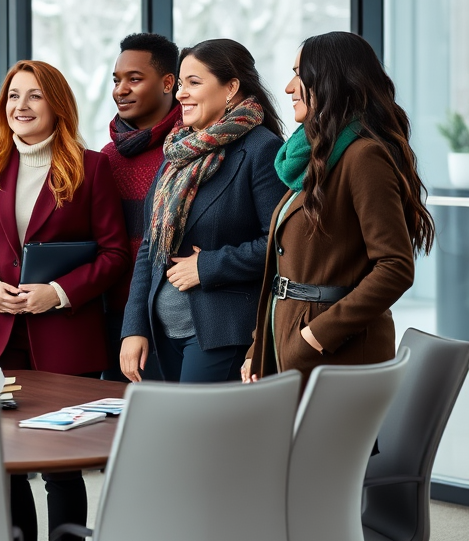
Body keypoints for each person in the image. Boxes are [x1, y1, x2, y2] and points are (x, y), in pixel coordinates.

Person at [0, 60, 130, 541]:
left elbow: (114, 253)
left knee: (61, 469)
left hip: (65, 341)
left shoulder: (92, 166)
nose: (21, 107)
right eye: (13, 96)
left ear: (57, 104)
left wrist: (55, 293)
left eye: (34, 96)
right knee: (3, 464)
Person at [243, 32, 432, 384]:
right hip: (289, 342)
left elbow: (395, 267)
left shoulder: (363, 156)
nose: (288, 87)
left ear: (330, 79)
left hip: (336, 355)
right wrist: (260, 347)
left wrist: (315, 337)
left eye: (300, 73)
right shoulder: (316, 157)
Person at [120, 39, 287, 384]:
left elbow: (281, 245)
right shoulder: (179, 151)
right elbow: (151, 247)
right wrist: (134, 327)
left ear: (231, 88)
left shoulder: (261, 149)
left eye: (194, 83)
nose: (181, 94)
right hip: (162, 332)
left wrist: (208, 266)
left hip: (222, 332)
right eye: (181, 84)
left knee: (194, 435)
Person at [100, 32, 183, 380]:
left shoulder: (190, 150)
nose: (121, 89)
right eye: (117, 80)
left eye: (135, 79)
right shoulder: (105, 159)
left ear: (168, 83)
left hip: (177, 318)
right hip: (116, 321)